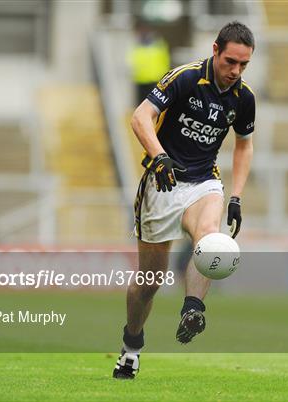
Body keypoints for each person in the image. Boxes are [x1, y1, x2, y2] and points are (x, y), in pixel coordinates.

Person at [113, 21, 256, 380]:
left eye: (243, 65)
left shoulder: (244, 98)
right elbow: (140, 117)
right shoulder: (184, 78)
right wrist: (159, 156)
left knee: (210, 236)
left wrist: (236, 195)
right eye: (230, 62)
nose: (235, 71)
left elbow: (244, 144)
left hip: (204, 182)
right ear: (215, 50)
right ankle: (132, 345)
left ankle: (193, 308)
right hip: (163, 182)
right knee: (149, 283)